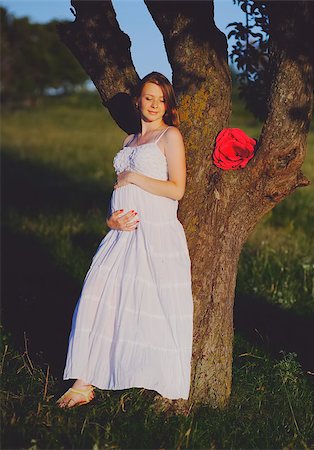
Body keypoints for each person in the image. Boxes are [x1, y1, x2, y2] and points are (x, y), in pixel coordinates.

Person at [57, 72, 193, 408]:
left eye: (161, 99)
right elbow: (118, 192)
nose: (154, 104)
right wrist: (111, 219)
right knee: (99, 298)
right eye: (149, 98)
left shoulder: (169, 136)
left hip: (155, 232)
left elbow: (177, 189)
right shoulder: (128, 141)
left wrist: (133, 176)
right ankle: (84, 382)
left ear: (167, 104)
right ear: (138, 100)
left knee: (147, 306)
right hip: (121, 234)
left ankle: (148, 375)